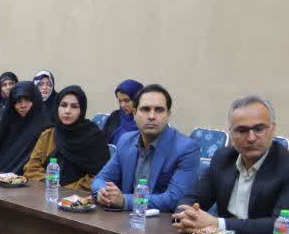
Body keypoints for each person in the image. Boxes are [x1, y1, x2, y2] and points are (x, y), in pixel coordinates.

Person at [173, 95, 289, 234]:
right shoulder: (223, 159)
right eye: (242, 130)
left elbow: (279, 226)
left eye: (259, 129)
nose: (251, 138)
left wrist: (217, 224)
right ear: (231, 133)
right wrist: (186, 216)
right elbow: (192, 198)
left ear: (273, 129)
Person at [91, 83, 199, 212]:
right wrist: (102, 192)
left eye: (159, 110)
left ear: (168, 115)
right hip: (125, 218)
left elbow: (174, 199)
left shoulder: (186, 148)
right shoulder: (126, 141)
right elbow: (100, 179)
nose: (152, 116)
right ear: (134, 113)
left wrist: (125, 201)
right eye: (145, 109)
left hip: (161, 221)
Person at [23, 86, 110, 191]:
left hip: (79, 197)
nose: (67, 111)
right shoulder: (48, 135)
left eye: (74, 107)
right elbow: (31, 167)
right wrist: (49, 182)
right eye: (63, 105)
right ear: (57, 107)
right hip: (48, 192)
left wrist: (65, 190)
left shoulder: (94, 138)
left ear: (81, 110)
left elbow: (100, 176)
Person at [0, 81, 50, 173]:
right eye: (18, 101)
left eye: (27, 100)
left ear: (35, 100)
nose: (23, 106)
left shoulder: (45, 128)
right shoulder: (9, 124)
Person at [100, 78, 143, 144]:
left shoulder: (145, 121)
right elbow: (102, 141)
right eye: (120, 101)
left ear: (138, 99)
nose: (122, 105)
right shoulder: (115, 116)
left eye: (126, 100)